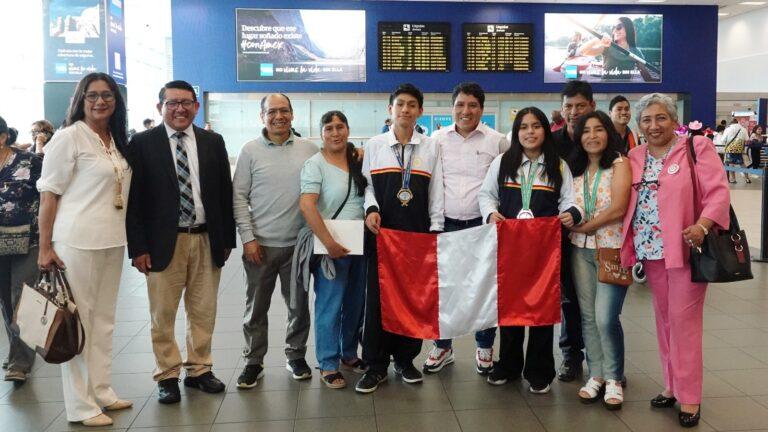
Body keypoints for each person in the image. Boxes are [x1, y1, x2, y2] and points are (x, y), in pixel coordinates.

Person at [620, 93, 730, 428]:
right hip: (651, 252)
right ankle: (671, 385)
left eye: (661, 118)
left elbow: (718, 192)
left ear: (673, 120)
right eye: (646, 121)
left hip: (685, 251)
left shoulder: (696, 148)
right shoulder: (635, 155)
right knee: (665, 321)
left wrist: (702, 225)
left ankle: (690, 397)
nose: (654, 126)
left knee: (684, 325)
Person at [126, 80, 236, 404]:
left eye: (186, 102)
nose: (179, 109)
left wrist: (227, 238)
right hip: (163, 243)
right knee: (163, 314)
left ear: (196, 107)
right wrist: (138, 247)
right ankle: (167, 374)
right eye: (172, 103)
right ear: (160, 106)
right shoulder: (143, 144)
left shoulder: (212, 141)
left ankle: (200, 369)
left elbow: (223, 194)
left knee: (203, 311)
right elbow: (134, 201)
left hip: (205, 239)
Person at [37, 72, 133, 427]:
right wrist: (44, 246)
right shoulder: (68, 138)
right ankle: (80, 406)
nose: (100, 101)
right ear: (81, 99)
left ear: (116, 101)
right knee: (78, 324)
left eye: (107, 95)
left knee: (104, 322)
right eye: (92, 95)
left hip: (111, 241)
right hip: (75, 243)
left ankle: (102, 390)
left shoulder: (113, 139)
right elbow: (49, 195)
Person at [478, 107, 582, 393]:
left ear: (545, 131)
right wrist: (490, 213)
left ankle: (539, 371)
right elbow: (486, 195)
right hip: (510, 248)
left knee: (541, 308)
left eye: (536, 126)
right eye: (524, 127)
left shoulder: (558, 165)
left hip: (545, 251)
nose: (530, 132)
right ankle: (508, 366)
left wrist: (571, 213)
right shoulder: (503, 162)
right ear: (516, 132)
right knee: (511, 308)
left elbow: (569, 200)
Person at [356, 83, 444, 394]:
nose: (405, 110)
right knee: (378, 300)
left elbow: (437, 190)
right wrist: (371, 209)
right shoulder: (376, 144)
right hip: (382, 234)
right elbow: (366, 186)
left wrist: (435, 227)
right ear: (390, 109)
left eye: (411, 105)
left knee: (412, 299)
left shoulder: (431, 146)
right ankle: (376, 364)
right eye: (400, 104)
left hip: (417, 235)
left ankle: (406, 360)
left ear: (420, 111)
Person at [233, 93, 319, 388]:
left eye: (284, 111)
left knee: (298, 306)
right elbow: (239, 197)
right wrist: (248, 238)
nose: (278, 116)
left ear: (292, 114)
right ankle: (253, 362)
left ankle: (295, 355)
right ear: (262, 116)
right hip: (260, 246)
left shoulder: (309, 149)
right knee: (256, 308)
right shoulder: (250, 150)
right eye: (272, 112)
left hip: (298, 246)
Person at [425, 82, 509, 375]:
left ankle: (485, 346)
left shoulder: (497, 141)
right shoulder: (436, 140)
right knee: (444, 287)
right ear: (452, 108)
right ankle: (442, 346)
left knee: (484, 288)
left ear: (482, 109)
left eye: (472, 105)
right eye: (460, 104)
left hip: (482, 224)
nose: (466, 111)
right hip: (446, 224)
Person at [298, 111, 367, 389]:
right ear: (322, 133)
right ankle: (327, 362)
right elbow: (307, 205)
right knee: (330, 304)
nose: (335, 133)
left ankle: (348, 354)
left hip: (359, 244)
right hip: (330, 248)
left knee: (354, 304)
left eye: (340, 127)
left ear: (348, 130)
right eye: (329, 128)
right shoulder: (315, 165)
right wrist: (329, 243)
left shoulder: (358, 160)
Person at [567, 111, 632, 409]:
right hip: (579, 249)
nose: (592, 136)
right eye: (586, 131)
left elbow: (619, 209)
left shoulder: (620, 164)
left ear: (608, 133)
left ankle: (615, 377)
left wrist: (584, 226)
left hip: (612, 249)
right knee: (588, 317)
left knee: (606, 317)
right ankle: (596, 375)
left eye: (598, 129)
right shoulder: (574, 169)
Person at [552, 80, 595, 383]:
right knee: (568, 297)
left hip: (598, 233)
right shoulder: (551, 143)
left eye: (580, 106)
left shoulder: (601, 140)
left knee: (598, 300)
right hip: (559, 235)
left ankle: (604, 361)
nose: (574, 112)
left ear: (591, 107)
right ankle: (571, 356)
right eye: (568, 106)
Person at [0, 115, 40, 382]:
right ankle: (16, 348)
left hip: (28, 241)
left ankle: (20, 363)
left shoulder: (30, 161)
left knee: (23, 299)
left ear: (3, 137)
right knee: (5, 300)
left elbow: (49, 196)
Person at [578, 17, 654, 82]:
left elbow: (647, 78)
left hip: (626, 90)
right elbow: (582, 51)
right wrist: (597, 40)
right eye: (613, 28)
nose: (615, 30)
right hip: (606, 89)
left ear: (628, 28)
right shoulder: (607, 47)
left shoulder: (636, 52)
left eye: (618, 27)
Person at [722, 118, 750, 184]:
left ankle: (733, 179)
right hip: (739, 148)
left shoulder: (728, 129)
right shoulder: (743, 129)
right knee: (742, 163)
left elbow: (723, 140)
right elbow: (747, 139)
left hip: (730, 148)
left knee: (731, 163)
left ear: (731, 123)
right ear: (737, 123)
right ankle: (747, 178)